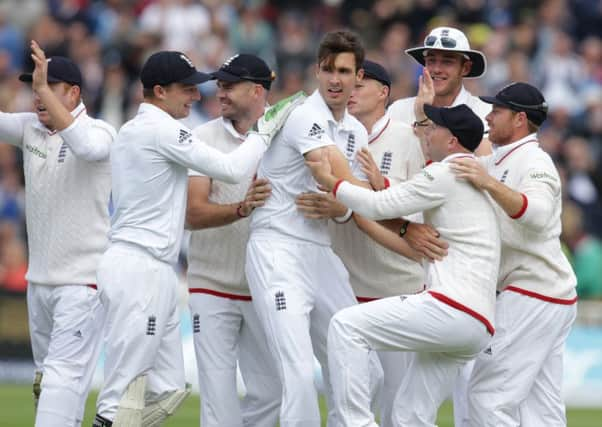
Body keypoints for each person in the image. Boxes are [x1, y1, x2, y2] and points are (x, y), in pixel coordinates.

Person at [92, 50, 304, 427]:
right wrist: (266, 127)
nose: (196, 96)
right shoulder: (162, 129)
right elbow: (230, 167)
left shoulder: (137, 129)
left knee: (170, 388)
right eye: (187, 89)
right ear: (160, 91)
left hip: (154, 268)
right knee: (120, 394)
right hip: (139, 267)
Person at [306, 103, 500, 427]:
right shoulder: (471, 177)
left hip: (451, 308)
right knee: (411, 416)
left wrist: (332, 181)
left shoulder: (446, 171)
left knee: (344, 327)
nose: (427, 132)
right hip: (478, 323)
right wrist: (379, 183)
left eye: (434, 127)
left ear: (451, 141)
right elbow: (399, 201)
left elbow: (378, 206)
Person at [244, 30, 379, 427]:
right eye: (327, 70)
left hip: (319, 251)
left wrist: (341, 209)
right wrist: (353, 202)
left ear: (359, 77)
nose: (335, 79)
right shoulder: (305, 114)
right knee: (299, 372)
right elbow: (343, 180)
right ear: (317, 72)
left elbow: (350, 200)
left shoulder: (355, 130)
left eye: (344, 71)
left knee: (365, 367)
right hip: (278, 249)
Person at [0, 41, 115, 427]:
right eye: (35, 88)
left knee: (60, 380)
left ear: (74, 93)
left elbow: (87, 147)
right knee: (52, 387)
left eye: (47, 87)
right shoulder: (32, 130)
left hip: (82, 285)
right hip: (40, 283)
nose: (37, 96)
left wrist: (48, 96)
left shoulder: (100, 132)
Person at [451, 82, 578, 427]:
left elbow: (535, 214)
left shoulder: (536, 161)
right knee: (541, 411)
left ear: (520, 119)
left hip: (532, 293)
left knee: (486, 398)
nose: (489, 117)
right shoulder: (497, 159)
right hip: (545, 294)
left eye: (497, 111)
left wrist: (488, 183)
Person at [388, 27, 492, 423]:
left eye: (446, 60)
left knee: (472, 391)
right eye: (430, 59)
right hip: (407, 257)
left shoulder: (483, 115)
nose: (436, 67)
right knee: (405, 389)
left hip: (463, 262)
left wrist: (425, 119)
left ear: (465, 66)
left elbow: (478, 172)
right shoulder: (398, 110)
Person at [185, 54, 281, 427]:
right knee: (218, 402)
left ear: (257, 90)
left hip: (264, 285)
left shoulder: (286, 134)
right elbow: (193, 214)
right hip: (211, 284)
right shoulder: (203, 137)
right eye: (219, 85)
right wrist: (242, 209)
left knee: (273, 393)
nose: (219, 92)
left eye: (228, 86)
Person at [331, 59, 426, 426]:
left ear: (383, 92)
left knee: (398, 406)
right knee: (349, 397)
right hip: (346, 287)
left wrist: (380, 188)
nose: (349, 91)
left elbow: (423, 206)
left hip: (397, 287)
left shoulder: (406, 138)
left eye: (360, 85)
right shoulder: (334, 137)